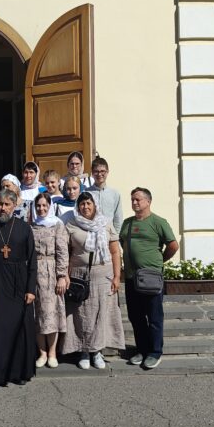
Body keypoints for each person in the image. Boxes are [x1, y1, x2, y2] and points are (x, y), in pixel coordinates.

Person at [0, 189, 37, 387]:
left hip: (19, 287)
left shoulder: (24, 228)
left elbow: (32, 261)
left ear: (14, 206)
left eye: (6, 204)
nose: (2, 208)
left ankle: (17, 373)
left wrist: (30, 289)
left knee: (18, 331)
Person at [61, 191, 125, 369]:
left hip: (103, 275)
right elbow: (65, 252)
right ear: (78, 206)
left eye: (89, 203)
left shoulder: (105, 223)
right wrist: (65, 275)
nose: (85, 207)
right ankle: (83, 351)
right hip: (78, 277)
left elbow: (114, 252)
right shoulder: (71, 223)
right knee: (81, 316)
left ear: (95, 205)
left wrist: (117, 276)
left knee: (101, 314)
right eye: (82, 204)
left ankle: (96, 352)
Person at [119, 187, 179, 370]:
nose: (134, 202)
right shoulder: (127, 223)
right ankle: (142, 349)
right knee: (136, 316)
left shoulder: (158, 222)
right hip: (131, 277)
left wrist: (159, 261)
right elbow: (122, 243)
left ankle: (155, 352)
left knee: (153, 316)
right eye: (132, 200)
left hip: (151, 277)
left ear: (148, 201)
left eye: (138, 199)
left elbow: (173, 245)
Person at [30, 192, 69, 368]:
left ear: (50, 206)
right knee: (37, 314)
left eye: (45, 205)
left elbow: (62, 251)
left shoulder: (57, 225)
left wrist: (62, 275)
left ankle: (52, 352)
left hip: (51, 271)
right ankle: (42, 353)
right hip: (34, 272)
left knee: (50, 313)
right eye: (38, 206)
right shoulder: (30, 226)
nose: (41, 209)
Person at [89, 156, 123, 236]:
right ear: (92, 173)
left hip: (109, 236)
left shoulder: (115, 194)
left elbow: (118, 218)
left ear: (107, 172)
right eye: (96, 171)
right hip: (90, 235)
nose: (99, 174)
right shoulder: (85, 193)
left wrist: (116, 236)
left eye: (102, 171)